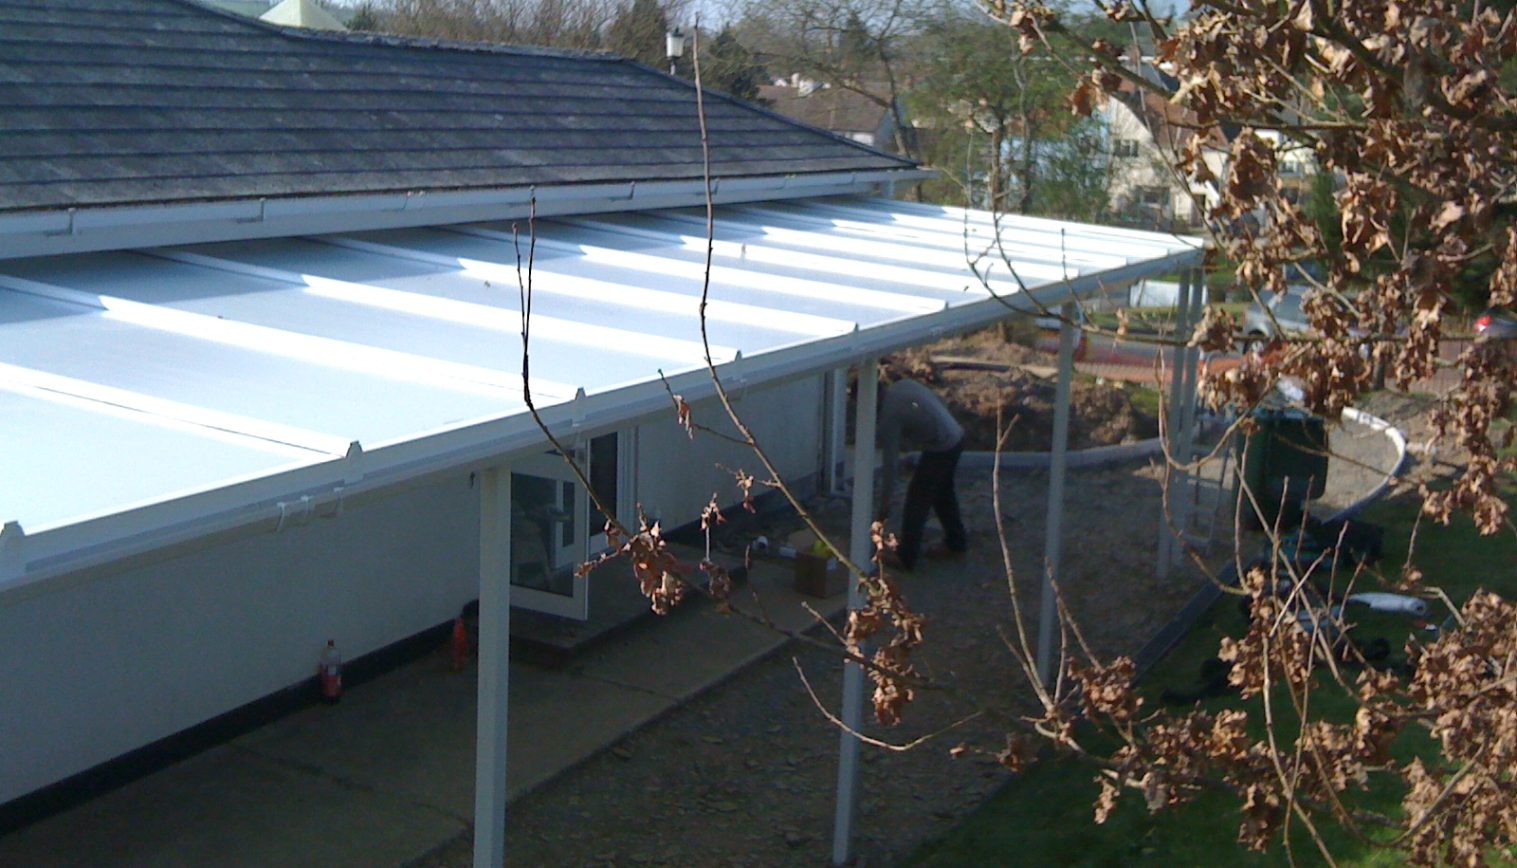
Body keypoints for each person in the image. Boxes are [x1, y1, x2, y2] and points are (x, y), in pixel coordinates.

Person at [875, 377, 968, 569]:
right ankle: (956, 542)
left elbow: (890, 462)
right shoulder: (902, 384)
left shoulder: (889, 414)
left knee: (917, 499)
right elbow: (936, 400)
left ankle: (906, 556)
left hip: (942, 445)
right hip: (956, 435)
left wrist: (884, 504)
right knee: (943, 494)